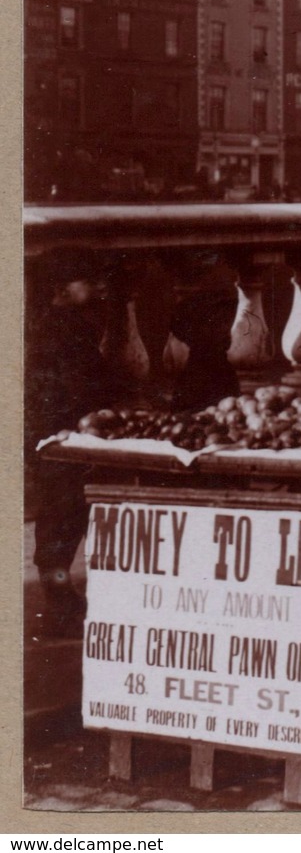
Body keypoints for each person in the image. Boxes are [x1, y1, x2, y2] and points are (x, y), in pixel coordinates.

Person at [25, 249, 132, 636]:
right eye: (87, 279)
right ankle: (57, 597)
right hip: (57, 439)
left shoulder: (72, 325)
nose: (99, 285)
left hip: (72, 435)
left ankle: (64, 594)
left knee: (72, 517)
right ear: (60, 291)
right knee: (59, 519)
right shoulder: (49, 333)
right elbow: (49, 389)